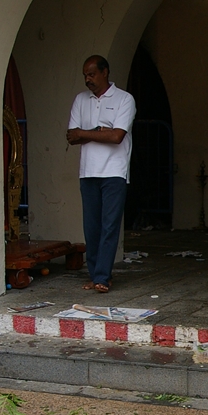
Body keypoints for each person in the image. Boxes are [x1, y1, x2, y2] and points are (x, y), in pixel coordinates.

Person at [67, 54, 136, 294]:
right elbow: (72, 136)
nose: (88, 79)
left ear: (105, 72)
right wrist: (99, 131)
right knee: (92, 226)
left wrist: (87, 133)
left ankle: (102, 278)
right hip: (88, 172)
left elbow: (117, 136)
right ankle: (95, 274)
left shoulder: (124, 99)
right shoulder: (80, 100)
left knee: (109, 226)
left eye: (92, 74)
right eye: (85, 75)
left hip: (114, 171)